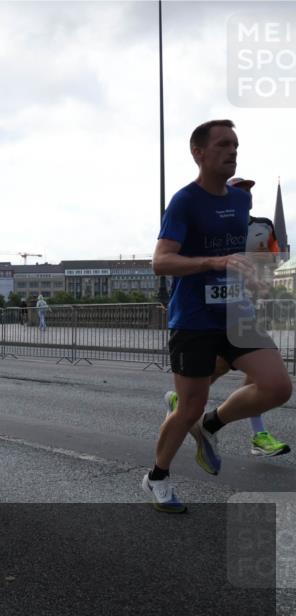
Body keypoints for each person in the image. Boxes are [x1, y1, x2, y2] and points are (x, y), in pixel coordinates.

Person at [144, 119, 292, 512]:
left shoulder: (241, 201)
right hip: (194, 318)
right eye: (224, 144)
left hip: (236, 313)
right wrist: (213, 260)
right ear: (199, 152)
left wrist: (254, 280)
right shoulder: (184, 201)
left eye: (236, 144)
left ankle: (211, 425)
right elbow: (161, 261)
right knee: (187, 405)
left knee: (278, 387)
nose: (233, 151)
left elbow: (237, 256)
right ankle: (157, 476)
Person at [163, 175, 290, 457]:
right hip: (209, 317)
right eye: (239, 190)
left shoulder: (261, 227)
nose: (245, 196)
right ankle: (185, 404)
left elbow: (273, 259)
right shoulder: (207, 220)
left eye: (248, 192)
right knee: (222, 369)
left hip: (246, 309)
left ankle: (257, 434)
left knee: (261, 374)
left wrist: (264, 281)